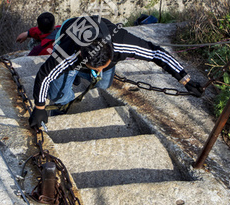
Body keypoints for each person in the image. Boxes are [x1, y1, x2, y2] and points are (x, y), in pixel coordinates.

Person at [28, 15, 203, 128]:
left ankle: (80, 75)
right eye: (94, 68)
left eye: (101, 67)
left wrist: (185, 79)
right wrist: (40, 107)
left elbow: (156, 52)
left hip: (98, 48)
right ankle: (69, 86)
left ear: (112, 54)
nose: (98, 70)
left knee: (103, 83)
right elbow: (44, 74)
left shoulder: (122, 42)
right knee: (59, 95)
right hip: (70, 32)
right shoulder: (67, 50)